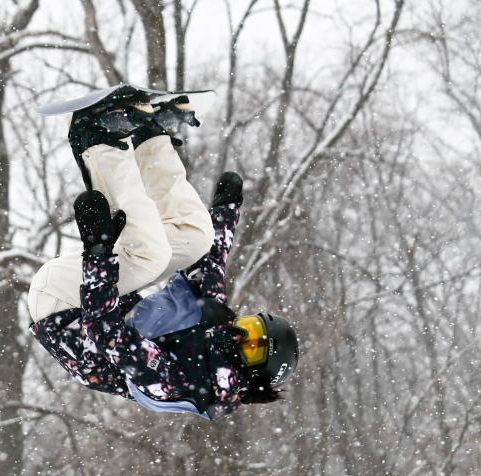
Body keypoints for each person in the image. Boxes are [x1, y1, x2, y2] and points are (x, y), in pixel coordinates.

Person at [28, 96, 299, 420]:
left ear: (251, 373)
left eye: (252, 345)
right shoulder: (215, 331)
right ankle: (151, 140)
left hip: (63, 308)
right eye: (249, 327)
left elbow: (105, 331)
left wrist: (99, 250)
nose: (239, 335)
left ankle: (97, 140)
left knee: (150, 255)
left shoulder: (177, 384)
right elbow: (210, 265)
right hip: (99, 297)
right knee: (198, 238)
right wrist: (226, 212)